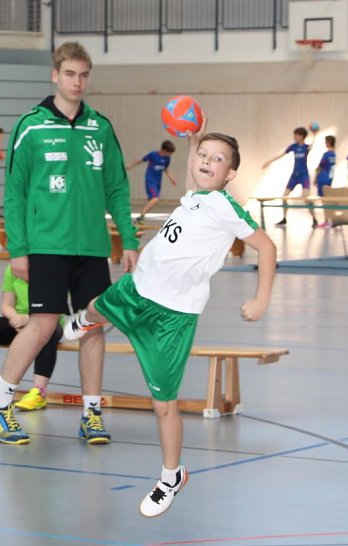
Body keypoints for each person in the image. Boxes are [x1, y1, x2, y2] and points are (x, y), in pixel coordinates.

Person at [66, 121, 276, 517]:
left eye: (218, 160)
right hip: (136, 288)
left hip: (172, 317)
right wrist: (195, 139)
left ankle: (171, 475)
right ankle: (88, 321)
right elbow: (198, 163)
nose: (207, 162)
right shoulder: (194, 194)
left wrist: (260, 299)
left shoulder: (225, 207)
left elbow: (267, 247)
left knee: (164, 404)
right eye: (203, 156)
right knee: (95, 306)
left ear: (230, 174)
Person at [0, 41, 138, 446]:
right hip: (46, 244)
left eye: (84, 75)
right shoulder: (30, 125)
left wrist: (130, 240)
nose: (77, 82)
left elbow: (118, 188)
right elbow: (14, 192)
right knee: (43, 324)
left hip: (91, 246)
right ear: (55, 75)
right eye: (70, 74)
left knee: (94, 327)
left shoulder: (100, 127)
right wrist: (17, 249)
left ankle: (91, 414)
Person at [0, 264, 63, 411]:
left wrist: (28, 319)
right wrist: (15, 318)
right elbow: (7, 304)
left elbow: (55, 306)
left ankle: (39, 393)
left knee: (48, 334)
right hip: (18, 321)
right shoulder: (12, 268)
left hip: (47, 321)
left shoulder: (50, 267)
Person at [262, 126, 317, 227]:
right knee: (284, 196)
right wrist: (268, 162)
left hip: (304, 176)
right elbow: (281, 155)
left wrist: (314, 134)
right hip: (294, 176)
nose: (294, 136)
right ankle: (284, 219)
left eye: (296, 135)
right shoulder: (293, 146)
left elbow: (311, 146)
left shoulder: (305, 147)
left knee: (306, 198)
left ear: (301, 136)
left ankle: (314, 219)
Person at [128, 140, 177, 224]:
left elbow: (165, 168)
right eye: (169, 153)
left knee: (152, 200)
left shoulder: (167, 158)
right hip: (150, 180)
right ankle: (141, 217)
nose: (170, 155)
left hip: (158, 182)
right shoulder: (153, 155)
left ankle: (140, 219)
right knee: (155, 199)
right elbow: (141, 160)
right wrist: (131, 165)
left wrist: (171, 178)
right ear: (164, 150)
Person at [315, 135, 336, 228]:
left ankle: (327, 221)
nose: (324, 143)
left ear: (328, 142)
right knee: (328, 199)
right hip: (329, 179)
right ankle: (332, 220)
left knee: (324, 200)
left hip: (322, 179)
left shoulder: (326, 154)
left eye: (325, 141)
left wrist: (315, 178)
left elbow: (319, 167)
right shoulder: (334, 154)